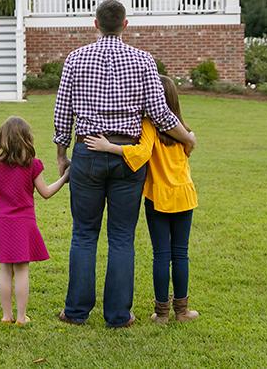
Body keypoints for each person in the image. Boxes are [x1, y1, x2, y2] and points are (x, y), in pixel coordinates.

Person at [53, 0, 197, 328]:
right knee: (121, 237)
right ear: (125, 24)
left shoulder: (76, 59)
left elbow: (63, 113)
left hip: (88, 152)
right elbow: (161, 115)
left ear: (95, 24)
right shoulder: (144, 61)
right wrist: (186, 136)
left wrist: (62, 154)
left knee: (84, 235)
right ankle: (118, 315)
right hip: (128, 158)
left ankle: (76, 311)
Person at [85, 75, 199, 325]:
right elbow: (190, 148)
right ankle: (182, 311)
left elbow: (141, 153)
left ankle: (161, 313)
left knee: (161, 254)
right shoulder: (184, 130)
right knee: (181, 254)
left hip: (158, 197)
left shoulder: (149, 125)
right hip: (184, 196)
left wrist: (108, 147)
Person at [0, 116, 69, 325]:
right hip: (24, 224)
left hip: (1, 223)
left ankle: (6, 315)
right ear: (27, 139)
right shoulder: (33, 165)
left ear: (2, 140)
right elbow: (45, 192)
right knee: (22, 270)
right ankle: (21, 316)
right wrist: (64, 178)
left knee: (5, 270)